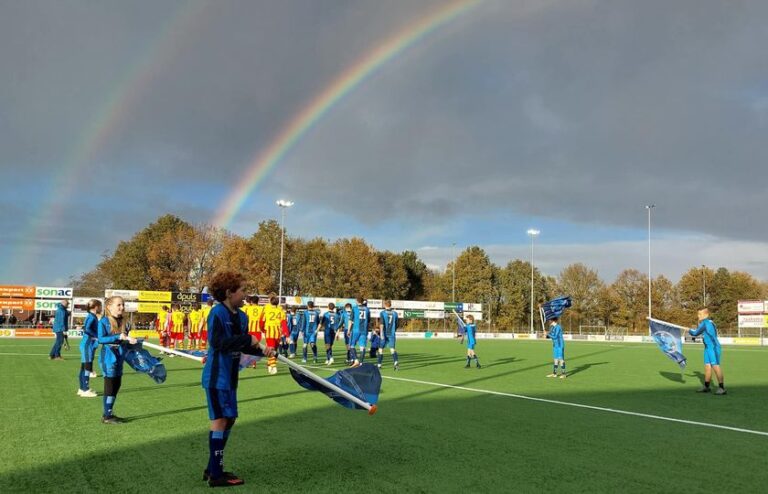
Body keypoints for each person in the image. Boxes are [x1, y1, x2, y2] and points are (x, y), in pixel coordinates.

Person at [201, 271, 272, 487]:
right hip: (216, 377)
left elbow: (244, 345)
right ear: (229, 293)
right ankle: (216, 475)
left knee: (229, 419)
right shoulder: (217, 313)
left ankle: (213, 467)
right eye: (242, 290)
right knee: (221, 420)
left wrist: (263, 351)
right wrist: (248, 338)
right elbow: (218, 343)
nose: (245, 295)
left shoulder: (242, 316)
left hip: (231, 377)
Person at [98, 296, 137, 424]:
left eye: (123, 304)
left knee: (117, 385)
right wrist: (117, 336)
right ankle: (107, 415)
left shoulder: (125, 321)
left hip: (120, 355)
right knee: (110, 385)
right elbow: (101, 339)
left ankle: (109, 412)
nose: (122, 307)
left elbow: (127, 338)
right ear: (109, 307)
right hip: (109, 356)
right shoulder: (104, 321)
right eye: (119, 305)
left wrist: (134, 341)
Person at [689, 308, 725, 395]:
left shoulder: (705, 323)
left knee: (716, 367)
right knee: (707, 367)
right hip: (707, 348)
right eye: (698, 314)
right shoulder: (707, 322)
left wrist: (690, 331)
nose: (698, 316)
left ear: (706, 315)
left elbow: (695, 333)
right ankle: (706, 386)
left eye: (700, 314)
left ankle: (722, 388)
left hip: (713, 348)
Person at [77, 299, 102, 397]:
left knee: (84, 367)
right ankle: (85, 389)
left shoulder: (92, 316)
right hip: (88, 344)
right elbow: (86, 329)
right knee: (87, 367)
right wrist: (97, 336)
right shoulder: (92, 317)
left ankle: (82, 388)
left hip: (88, 344)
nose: (101, 308)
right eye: (100, 306)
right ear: (96, 307)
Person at [260, 295, 284, 375]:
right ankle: (273, 366)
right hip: (277, 332)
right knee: (273, 349)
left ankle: (270, 364)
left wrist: (263, 329)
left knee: (273, 350)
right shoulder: (281, 309)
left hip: (269, 331)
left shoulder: (266, 308)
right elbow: (284, 322)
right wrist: (286, 334)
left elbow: (261, 320)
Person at [378, 300, 400, 370]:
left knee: (381, 349)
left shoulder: (382, 313)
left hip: (384, 333)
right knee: (392, 349)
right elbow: (397, 324)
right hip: (392, 333)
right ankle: (396, 362)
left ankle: (379, 365)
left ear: (385, 305)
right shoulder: (395, 313)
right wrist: (394, 330)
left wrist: (381, 333)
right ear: (390, 305)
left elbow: (381, 324)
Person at [350, 297, 370, 368]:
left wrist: (349, 330)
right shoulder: (367, 309)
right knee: (362, 347)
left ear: (357, 301)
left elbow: (351, 321)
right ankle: (361, 363)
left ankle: (356, 360)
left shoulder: (354, 308)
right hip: (364, 330)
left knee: (351, 345)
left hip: (356, 329)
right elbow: (368, 321)